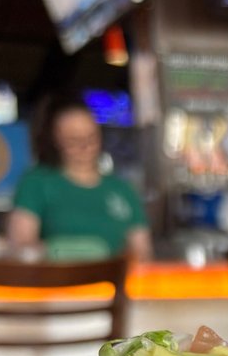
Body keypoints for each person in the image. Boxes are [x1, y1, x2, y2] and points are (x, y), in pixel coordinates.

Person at [8, 95, 151, 261]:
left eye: (91, 137)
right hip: (56, 282)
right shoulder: (37, 182)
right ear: (56, 140)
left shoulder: (122, 189)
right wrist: (61, 252)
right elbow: (21, 245)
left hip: (112, 282)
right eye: (74, 140)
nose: (85, 146)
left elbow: (142, 252)